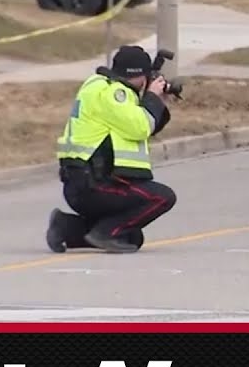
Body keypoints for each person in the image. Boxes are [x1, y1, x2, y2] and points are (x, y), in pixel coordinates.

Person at [45, 45, 177, 254]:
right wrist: (151, 96)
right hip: (94, 186)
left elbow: (142, 127)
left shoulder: (99, 86)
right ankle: (105, 233)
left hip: (84, 183)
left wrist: (157, 103)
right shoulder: (114, 93)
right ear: (141, 76)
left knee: (132, 236)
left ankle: (66, 227)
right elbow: (140, 127)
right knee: (162, 197)